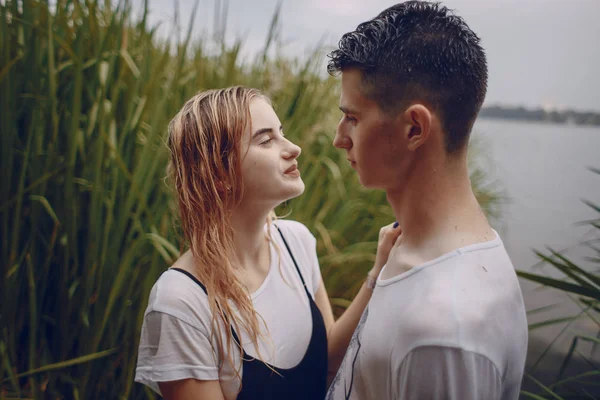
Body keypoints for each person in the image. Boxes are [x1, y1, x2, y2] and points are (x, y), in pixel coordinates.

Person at [134, 86, 401, 400]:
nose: (293, 148)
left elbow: (325, 361)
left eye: (282, 133)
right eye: (266, 140)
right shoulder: (180, 302)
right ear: (220, 173)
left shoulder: (296, 242)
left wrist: (378, 271)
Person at [325, 2, 528, 399]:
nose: (339, 137)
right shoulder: (409, 247)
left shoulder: (444, 332)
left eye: (353, 117)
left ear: (414, 128)